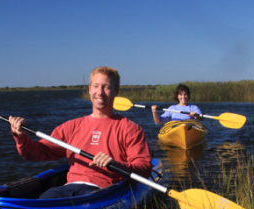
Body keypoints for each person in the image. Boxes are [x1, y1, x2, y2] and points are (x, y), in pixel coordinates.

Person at [9, 66, 152, 199]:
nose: (100, 92)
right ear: (89, 89)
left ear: (116, 91)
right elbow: (35, 153)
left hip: (104, 192)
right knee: (43, 201)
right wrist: (21, 137)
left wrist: (115, 163)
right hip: (68, 188)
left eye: (106, 87)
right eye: (95, 86)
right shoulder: (71, 127)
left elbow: (144, 169)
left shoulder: (130, 128)